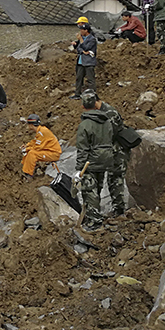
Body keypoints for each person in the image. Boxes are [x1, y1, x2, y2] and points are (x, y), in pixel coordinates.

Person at [75, 91, 115, 232]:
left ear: (82, 106)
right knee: (98, 186)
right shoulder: (107, 121)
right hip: (106, 158)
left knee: (89, 190)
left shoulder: (85, 125)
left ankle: (95, 222)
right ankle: (95, 213)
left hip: (91, 161)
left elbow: (82, 149)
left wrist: (79, 169)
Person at [96, 96, 130, 218]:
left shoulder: (109, 113)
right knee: (113, 179)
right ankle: (118, 208)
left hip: (118, 152)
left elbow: (111, 134)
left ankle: (120, 209)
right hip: (114, 151)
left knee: (115, 179)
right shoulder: (102, 111)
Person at [20, 114, 61, 179]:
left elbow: (37, 147)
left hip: (54, 154)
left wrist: (26, 149)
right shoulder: (41, 131)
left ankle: (28, 174)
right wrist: (27, 145)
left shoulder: (42, 132)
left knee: (32, 153)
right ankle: (24, 168)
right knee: (30, 151)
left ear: (31, 125)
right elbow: (35, 141)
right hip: (50, 151)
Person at [71, 18, 97, 98]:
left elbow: (86, 47)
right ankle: (77, 94)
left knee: (90, 79)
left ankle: (92, 95)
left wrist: (81, 41)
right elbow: (79, 48)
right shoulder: (81, 39)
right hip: (80, 61)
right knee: (79, 78)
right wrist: (82, 50)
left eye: (82, 29)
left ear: (86, 30)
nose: (80, 31)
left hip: (89, 62)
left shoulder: (92, 39)